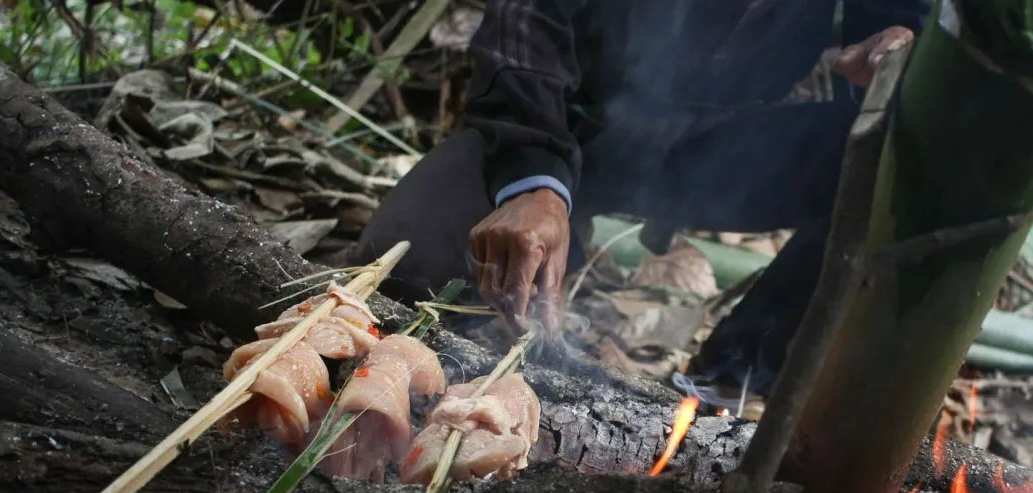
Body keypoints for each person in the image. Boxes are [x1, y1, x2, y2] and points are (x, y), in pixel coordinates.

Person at [350, 0, 932, 396]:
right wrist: (535, 180)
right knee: (402, 267)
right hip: (568, 126)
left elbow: (899, 16)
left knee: (902, 167)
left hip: (718, 147)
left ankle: (733, 381)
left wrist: (898, 38)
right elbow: (524, 28)